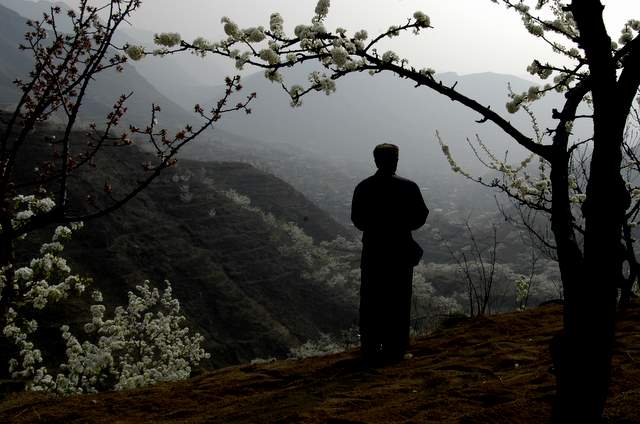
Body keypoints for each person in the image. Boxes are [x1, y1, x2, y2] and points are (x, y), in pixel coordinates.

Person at [351, 143, 429, 363]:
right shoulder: (408, 187)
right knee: (398, 299)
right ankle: (396, 348)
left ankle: (370, 347)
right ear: (395, 161)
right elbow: (421, 216)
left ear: (376, 161)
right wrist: (399, 226)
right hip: (400, 249)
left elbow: (358, 220)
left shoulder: (364, 187)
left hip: (374, 251)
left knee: (371, 299)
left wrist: (378, 226)